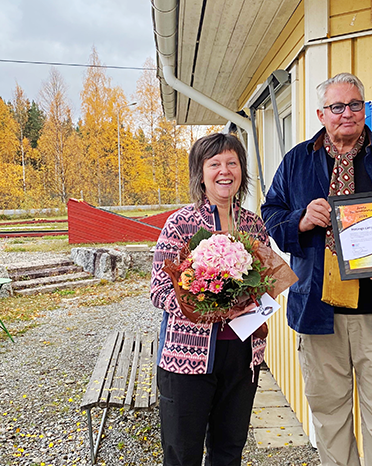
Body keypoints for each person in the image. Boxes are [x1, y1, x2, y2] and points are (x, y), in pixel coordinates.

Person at [261, 73, 372, 466]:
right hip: (318, 312)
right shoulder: (297, 162)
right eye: (337, 107)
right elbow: (271, 213)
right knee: (330, 418)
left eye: (356, 105)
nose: (347, 114)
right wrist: (300, 221)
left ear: (364, 109)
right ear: (322, 114)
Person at [150, 132, 269, 466]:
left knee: (229, 450)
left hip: (243, 356)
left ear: (241, 171)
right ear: (200, 173)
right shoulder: (181, 224)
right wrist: (213, 308)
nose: (224, 170)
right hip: (187, 357)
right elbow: (160, 291)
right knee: (182, 452)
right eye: (214, 163)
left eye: (232, 162)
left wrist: (255, 300)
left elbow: (266, 282)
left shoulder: (254, 225)